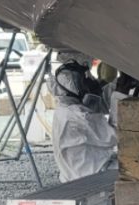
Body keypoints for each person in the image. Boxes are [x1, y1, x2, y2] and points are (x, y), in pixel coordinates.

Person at [50, 52, 117, 182]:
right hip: (91, 174)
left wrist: (113, 85)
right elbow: (115, 134)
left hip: (75, 173)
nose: (91, 82)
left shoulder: (65, 108)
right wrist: (121, 93)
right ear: (77, 87)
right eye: (86, 80)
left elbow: (99, 104)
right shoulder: (78, 115)